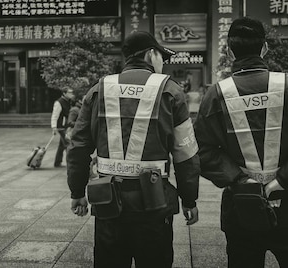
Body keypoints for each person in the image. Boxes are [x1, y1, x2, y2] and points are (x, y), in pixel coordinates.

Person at [194, 17, 288, 268]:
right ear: (265, 48)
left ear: (229, 50)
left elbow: (201, 151)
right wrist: (283, 180)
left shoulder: (216, 95)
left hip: (241, 207)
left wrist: (240, 180)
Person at [67, 31, 200, 268]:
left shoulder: (100, 89)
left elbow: (78, 146)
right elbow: (186, 155)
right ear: (150, 54)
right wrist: (189, 199)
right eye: (161, 56)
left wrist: (77, 192)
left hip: (108, 201)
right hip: (154, 202)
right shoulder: (171, 91)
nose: (163, 62)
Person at [51, 88, 75, 167]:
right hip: (61, 127)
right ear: (64, 93)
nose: (71, 94)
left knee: (61, 145)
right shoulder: (59, 102)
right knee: (68, 144)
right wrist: (54, 127)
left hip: (66, 126)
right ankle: (71, 163)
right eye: (70, 92)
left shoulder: (69, 101)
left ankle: (57, 162)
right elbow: (55, 115)